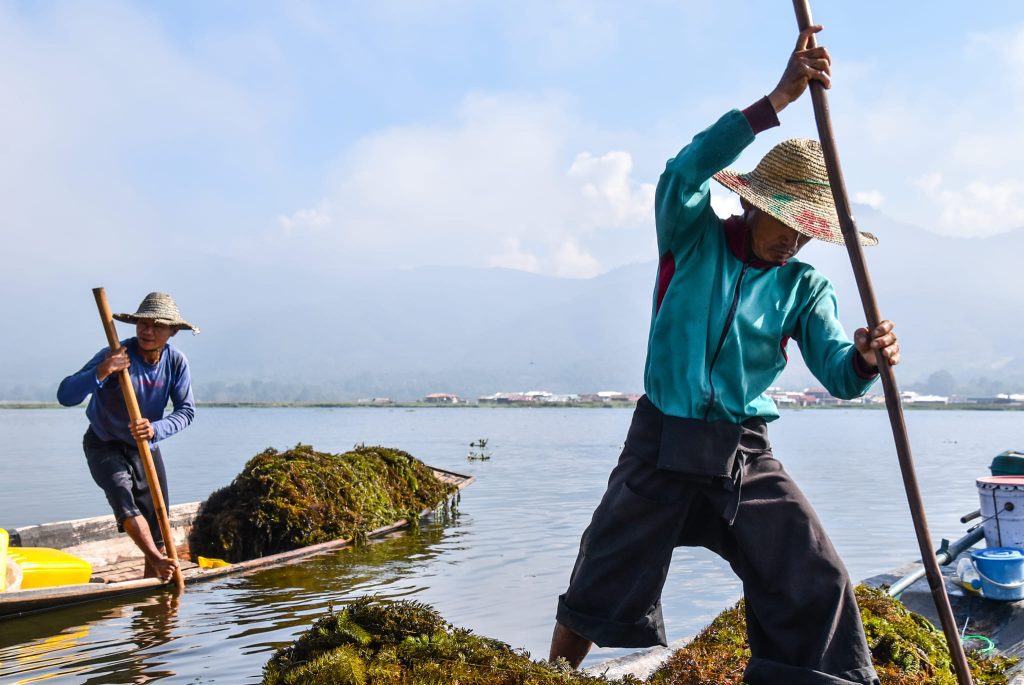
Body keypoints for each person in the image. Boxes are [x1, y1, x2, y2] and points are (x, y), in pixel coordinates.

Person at [549, 26, 898, 684]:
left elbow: (838, 372)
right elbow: (684, 168)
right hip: (662, 438)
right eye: (787, 223)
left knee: (815, 573)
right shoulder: (692, 235)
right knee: (602, 573)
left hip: (744, 450)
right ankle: (549, 676)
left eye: (807, 233)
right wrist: (776, 101)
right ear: (750, 200)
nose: (793, 243)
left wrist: (865, 358)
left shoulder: (804, 286)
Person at [58, 292, 199, 581]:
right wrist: (103, 369)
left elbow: (186, 411)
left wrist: (155, 429)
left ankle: (155, 591)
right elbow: (66, 395)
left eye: (157, 326)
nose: (147, 331)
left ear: (172, 331)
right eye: (142, 324)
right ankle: (159, 562)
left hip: (145, 445)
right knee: (125, 500)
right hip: (104, 443)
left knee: (158, 521)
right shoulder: (116, 353)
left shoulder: (175, 362)